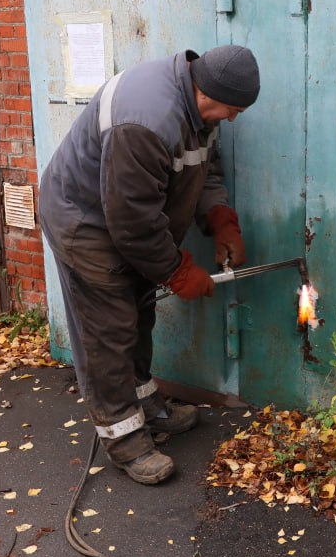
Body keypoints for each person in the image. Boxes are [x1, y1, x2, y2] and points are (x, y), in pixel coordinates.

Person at [38, 45, 260, 485]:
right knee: (110, 329)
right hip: (84, 221)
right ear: (205, 90)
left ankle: (146, 405)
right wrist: (179, 272)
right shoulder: (145, 120)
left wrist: (221, 220)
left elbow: (203, 169)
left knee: (138, 310)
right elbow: (132, 220)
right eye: (231, 110)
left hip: (123, 220)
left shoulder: (199, 109)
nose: (232, 119)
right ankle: (123, 438)